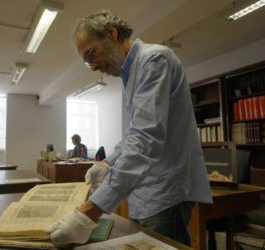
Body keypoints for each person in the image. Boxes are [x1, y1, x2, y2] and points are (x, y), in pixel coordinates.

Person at [46, 10, 212, 247]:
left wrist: (88, 214)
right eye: (86, 61)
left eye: (91, 54)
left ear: (111, 34)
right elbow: (134, 133)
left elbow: (145, 139)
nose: (92, 67)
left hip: (164, 192)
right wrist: (108, 162)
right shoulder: (130, 75)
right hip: (143, 191)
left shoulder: (154, 60)